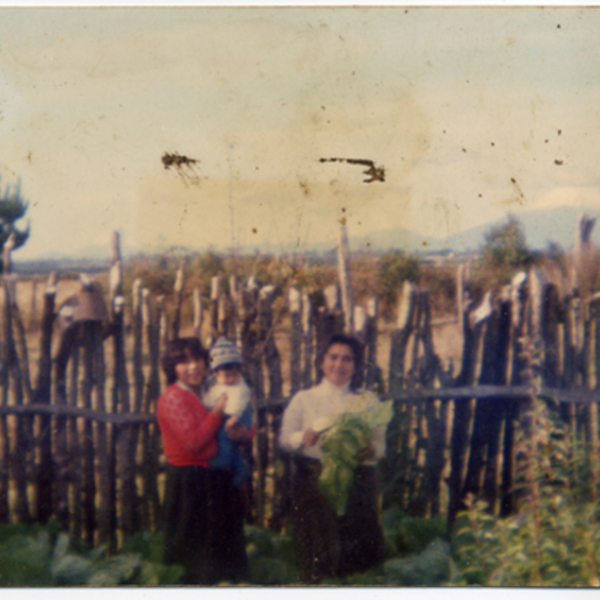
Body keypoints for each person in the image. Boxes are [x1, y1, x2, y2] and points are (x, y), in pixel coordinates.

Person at [279, 333, 387, 582]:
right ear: (321, 362)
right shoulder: (304, 399)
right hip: (314, 483)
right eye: (333, 357)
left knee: (357, 556)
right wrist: (301, 438)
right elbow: (284, 440)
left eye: (347, 359)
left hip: (356, 483)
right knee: (319, 552)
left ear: (357, 366)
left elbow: (380, 445)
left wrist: (370, 451)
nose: (339, 365)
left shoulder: (367, 400)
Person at [156, 337, 251, 585]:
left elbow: (243, 426)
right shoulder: (173, 397)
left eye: (198, 359)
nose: (194, 366)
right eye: (183, 361)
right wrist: (218, 412)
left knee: (221, 553)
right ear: (171, 367)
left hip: (216, 479)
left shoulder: (209, 389)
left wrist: (244, 435)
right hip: (189, 483)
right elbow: (193, 442)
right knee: (194, 557)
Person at [203, 336, 253, 487]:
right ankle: (241, 468)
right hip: (228, 417)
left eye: (235, 375)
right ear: (216, 375)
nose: (232, 379)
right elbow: (210, 399)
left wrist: (233, 419)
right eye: (227, 375)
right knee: (231, 445)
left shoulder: (240, 387)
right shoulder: (218, 387)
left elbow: (237, 403)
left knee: (225, 438)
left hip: (238, 418)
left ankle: (223, 461)